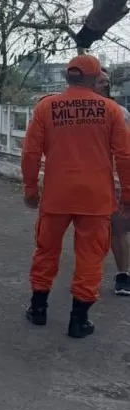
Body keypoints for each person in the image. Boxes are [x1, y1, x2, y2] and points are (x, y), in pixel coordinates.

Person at [21, 54, 130, 338]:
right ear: (95, 79)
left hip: (57, 195)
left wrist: (30, 189)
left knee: (46, 251)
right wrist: (128, 195)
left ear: (68, 77)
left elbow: (31, 152)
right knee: (90, 257)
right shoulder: (111, 110)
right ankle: (78, 320)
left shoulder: (46, 107)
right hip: (95, 198)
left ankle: (39, 309)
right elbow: (125, 156)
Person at [94, 67, 130, 295]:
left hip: (118, 175)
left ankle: (122, 273)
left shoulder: (119, 111)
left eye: (106, 81)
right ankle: (117, 275)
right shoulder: (75, 111)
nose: (105, 84)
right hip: (93, 178)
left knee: (119, 227)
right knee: (108, 229)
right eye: (100, 81)